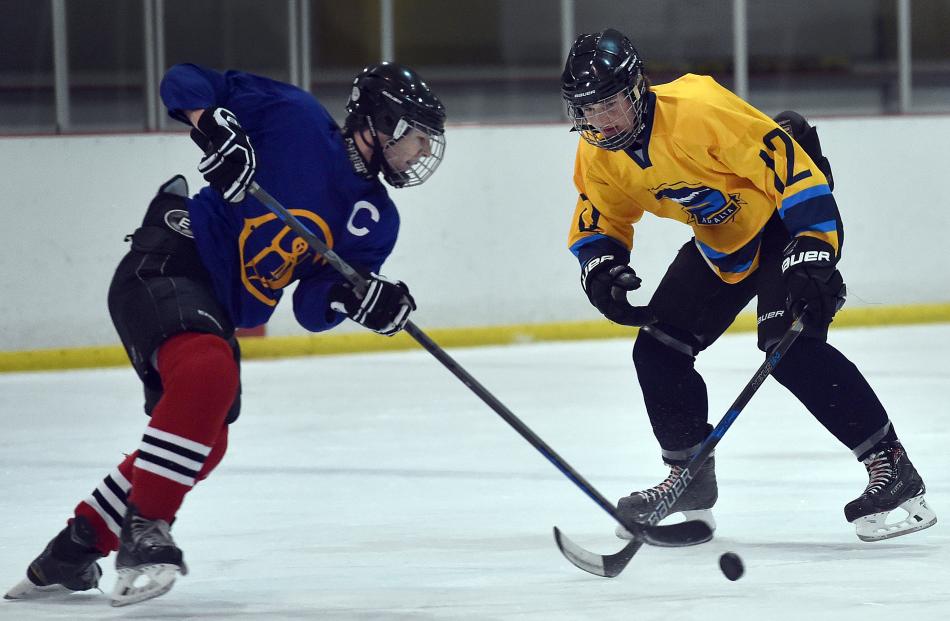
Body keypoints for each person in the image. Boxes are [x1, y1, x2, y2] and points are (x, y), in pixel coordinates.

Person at [5, 61, 446, 606]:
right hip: (169, 264)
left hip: (214, 307)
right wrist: (213, 123)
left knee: (205, 445)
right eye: (420, 138)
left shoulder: (377, 218)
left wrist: (360, 299)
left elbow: (311, 305)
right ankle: (145, 533)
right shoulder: (295, 119)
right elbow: (183, 79)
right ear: (382, 123)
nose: (424, 153)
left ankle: (69, 552)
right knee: (207, 377)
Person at [561, 29, 936, 543]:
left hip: (783, 222)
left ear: (636, 89)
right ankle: (688, 484)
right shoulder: (598, 154)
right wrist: (601, 264)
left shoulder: (697, 109)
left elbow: (793, 171)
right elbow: (599, 218)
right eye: (587, 110)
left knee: (791, 348)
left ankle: (893, 469)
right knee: (658, 349)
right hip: (723, 242)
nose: (600, 120)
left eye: (608, 104)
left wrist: (814, 247)